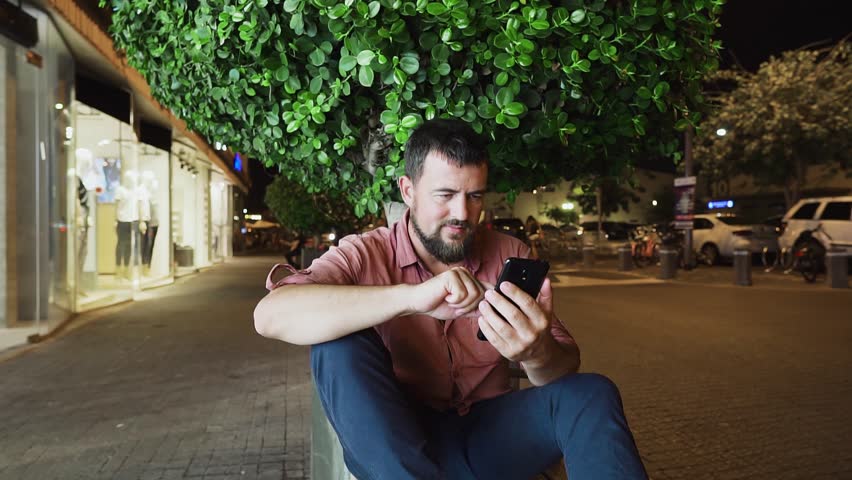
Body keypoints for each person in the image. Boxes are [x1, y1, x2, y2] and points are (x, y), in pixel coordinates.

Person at [254, 119, 647, 480]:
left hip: (489, 434)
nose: (463, 213)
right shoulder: (364, 253)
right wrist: (411, 298)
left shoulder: (510, 253)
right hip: (399, 444)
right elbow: (270, 316)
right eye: (445, 194)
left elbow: (560, 373)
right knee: (337, 344)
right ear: (408, 191)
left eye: (475, 196)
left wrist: (536, 352)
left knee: (592, 392)